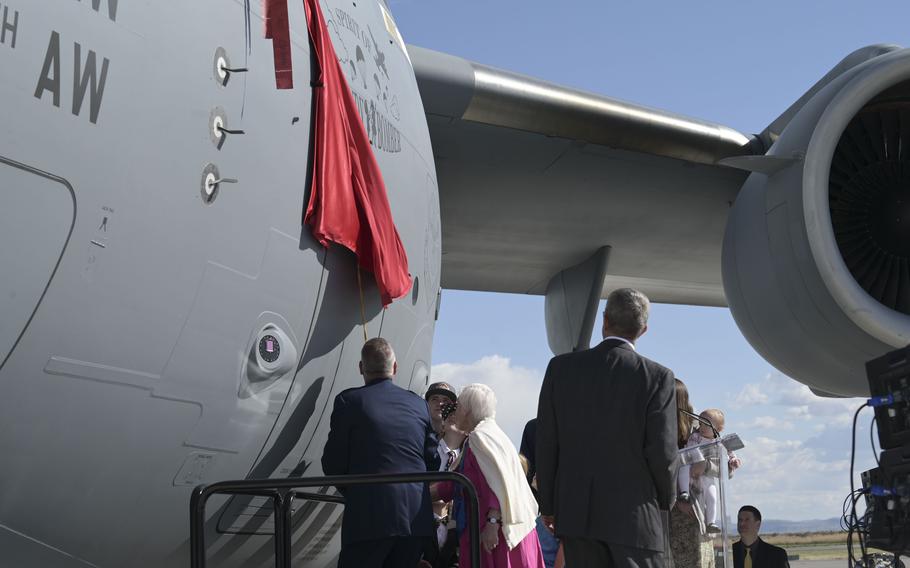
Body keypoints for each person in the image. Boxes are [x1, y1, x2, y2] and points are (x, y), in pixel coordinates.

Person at [536, 288, 677, 568]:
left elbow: (547, 443)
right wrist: (663, 500)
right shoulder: (657, 378)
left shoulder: (560, 369)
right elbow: (662, 452)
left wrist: (549, 505)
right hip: (634, 515)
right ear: (643, 330)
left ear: (604, 320)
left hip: (577, 515)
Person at [321, 338, 436, 568]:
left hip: (368, 519)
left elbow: (333, 463)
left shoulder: (349, 401)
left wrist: (357, 490)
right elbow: (432, 460)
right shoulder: (418, 405)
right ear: (395, 368)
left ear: (361, 368)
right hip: (414, 520)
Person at [433, 383, 545, 568]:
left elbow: (499, 481)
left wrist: (492, 522)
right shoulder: (492, 434)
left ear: (468, 410)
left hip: (496, 534)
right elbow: (463, 481)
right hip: (506, 529)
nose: (456, 411)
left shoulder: (480, 437)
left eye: (459, 406)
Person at [668, 380, 715, 568]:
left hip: (696, 505)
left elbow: (722, 462)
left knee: (697, 558)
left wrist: (705, 466)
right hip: (670, 506)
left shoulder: (699, 425)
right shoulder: (656, 424)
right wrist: (676, 497)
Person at [677, 409, 742, 534]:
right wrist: (699, 461)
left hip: (707, 476)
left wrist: (733, 461)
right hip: (692, 469)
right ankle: (684, 492)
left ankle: (711, 522)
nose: (701, 427)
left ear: (718, 428)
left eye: (706, 424)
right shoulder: (696, 437)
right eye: (700, 424)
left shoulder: (720, 442)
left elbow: (730, 454)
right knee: (683, 469)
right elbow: (691, 448)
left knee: (712, 495)